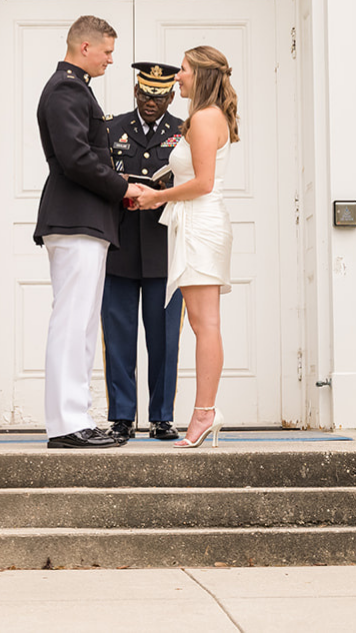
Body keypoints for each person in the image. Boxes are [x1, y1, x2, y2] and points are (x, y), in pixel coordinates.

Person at [33, 15, 145, 449]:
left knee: (81, 325)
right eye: (108, 52)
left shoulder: (76, 88)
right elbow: (75, 157)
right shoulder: (66, 88)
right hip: (75, 217)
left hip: (86, 219)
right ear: (85, 47)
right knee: (72, 321)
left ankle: (75, 416)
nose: (111, 60)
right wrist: (122, 186)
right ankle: (65, 423)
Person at [133, 45, 238, 449]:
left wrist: (156, 198)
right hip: (196, 222)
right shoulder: (209, 116)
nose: (177, 76)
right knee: (203, 323)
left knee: (204, 324)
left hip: (200, 223)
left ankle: (205, 413)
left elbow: (203, 183)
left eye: (183, 69)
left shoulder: (204, 118)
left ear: (202, 75)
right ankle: (205, 412)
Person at [102, 62, 185, 442]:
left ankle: (161, 417)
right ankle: (121, 416)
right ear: (135, 92)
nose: (150, 103)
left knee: (164, 339)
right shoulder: (112, 128)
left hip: (164, 247)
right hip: (119, 245)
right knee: (118, 336)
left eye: (158, 96)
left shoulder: (183, 132)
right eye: (144, 94)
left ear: (169, 96)